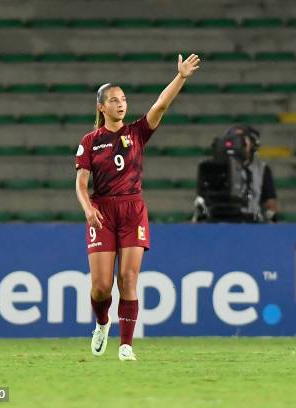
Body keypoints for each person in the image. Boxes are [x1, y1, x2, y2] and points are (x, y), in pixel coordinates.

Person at [75, 54, 200, 361]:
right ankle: (102, 323)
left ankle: (126, 345)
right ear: (101, 107)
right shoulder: (90, 141)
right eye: (114, 100)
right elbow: (80, 183)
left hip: (133, 211)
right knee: (101, 287)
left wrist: (180, 77)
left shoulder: (137, 133)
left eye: (124, 99)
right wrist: (88, 209)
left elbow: (160, 104)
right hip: (103, 212)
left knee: (128, 279)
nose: (121, 104)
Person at [193, 125, 278, 223]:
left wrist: (269, 217)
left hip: (251, 222)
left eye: (242, 139)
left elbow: (270, 203)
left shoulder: (262, 169)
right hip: (218, 220)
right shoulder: (214, 166)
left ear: (252, 143)